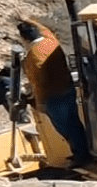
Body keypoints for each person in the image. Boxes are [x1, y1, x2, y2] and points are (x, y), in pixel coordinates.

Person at [17, 20, 91, 167]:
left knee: (65, 128)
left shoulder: (33, 56)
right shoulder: (51, 41)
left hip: (53, 97)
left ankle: (81, 156)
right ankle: (82, 152)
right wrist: (29, 20)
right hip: (68, 89)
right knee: (75, 123)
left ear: (24, 39)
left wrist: (38, 103)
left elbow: (38, 82)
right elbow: (44, 28)